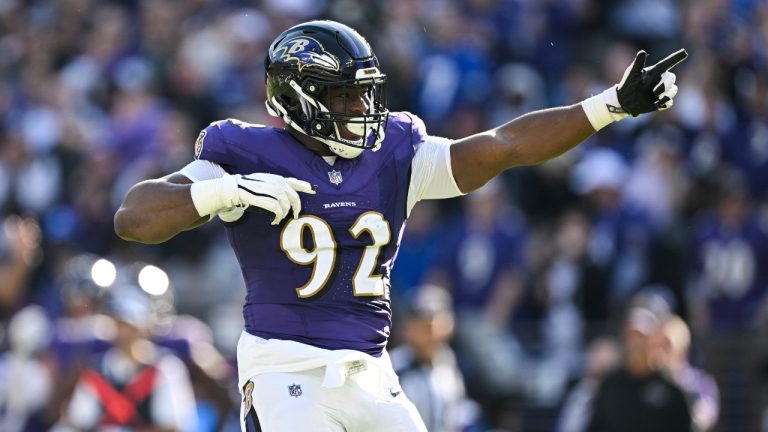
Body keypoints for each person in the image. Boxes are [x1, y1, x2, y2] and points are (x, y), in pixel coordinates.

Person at [114, 19, 687, 432]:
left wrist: (610, 104)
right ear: (299, 98)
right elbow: (134, 217)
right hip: (288, 372)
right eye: (343, 97)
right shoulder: (245, 152)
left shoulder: (395, 151)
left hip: (372, 373)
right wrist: (226, 191)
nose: (362, 110)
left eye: (364, 94)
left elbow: (504, 146)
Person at [585, 307, 692, 432]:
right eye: (631, 336)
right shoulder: (610, 385)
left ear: (653, 339)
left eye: (642, 336)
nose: (635, 343)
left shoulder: (671, 389)